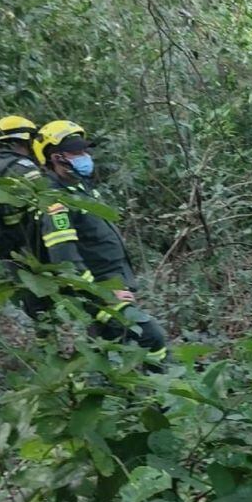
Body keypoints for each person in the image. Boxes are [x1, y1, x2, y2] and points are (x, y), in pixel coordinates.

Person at [32, 119, 167, 365]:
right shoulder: (56, 201)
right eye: (76, 152)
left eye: (85, 151)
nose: (84, 156)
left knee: (106, 351)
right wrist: (103, 293)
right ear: (56, 157)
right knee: (150, 337)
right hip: (98, 293)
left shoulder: (81, 189)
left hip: (113, 285)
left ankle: (128, 395)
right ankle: (162, 393)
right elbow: (65, 261)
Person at [0, 115, 49, 319]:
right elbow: (41, 207)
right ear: (24, 140)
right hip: (29, 243)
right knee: (43, 296)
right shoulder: (24, 168)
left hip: (0, 244)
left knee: (28, 296)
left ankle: (41, 334)